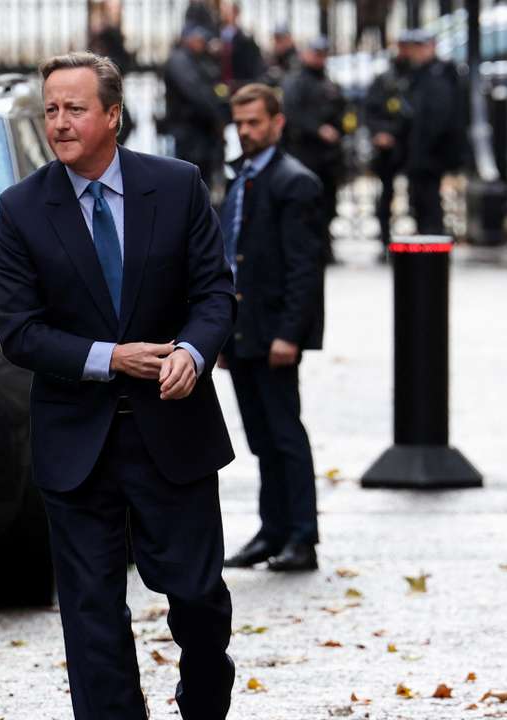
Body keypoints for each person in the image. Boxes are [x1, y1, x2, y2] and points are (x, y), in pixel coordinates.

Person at [0, 51, 238, 720]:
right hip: (77, 442)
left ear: (113, 116)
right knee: (91, 613)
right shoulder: (21, 209)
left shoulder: (178, 185)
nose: (60, 123)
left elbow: (215, 291)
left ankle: (206, 696)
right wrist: (109, 357)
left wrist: (192, 349)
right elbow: (19, 331)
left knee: (198, 596)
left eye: (74, 109)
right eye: (51, 111)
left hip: (174, 432)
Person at [218, 83, 325, 573]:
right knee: (261, 436)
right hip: (243, 331)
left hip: (274, 331)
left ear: (277, 123)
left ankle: (302, 537)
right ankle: (272, 530)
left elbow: (304, 268)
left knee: (285, 434)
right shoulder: (242, 179)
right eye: (239, 123)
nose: (245, 132)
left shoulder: (294, 182)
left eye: (254, 122)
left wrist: (290, 333)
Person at [281, 36, 346, 263]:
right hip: (305, 152)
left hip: (328, 157)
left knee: (327, 204)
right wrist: (317, 129)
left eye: (323, 53)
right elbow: (291, 113)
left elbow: (342, 111)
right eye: (316, 52)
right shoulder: (295, 81)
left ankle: (324, 248)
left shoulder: (328, 81)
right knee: (306, 205)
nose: (320, 57)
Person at [403, 28, 464, 235]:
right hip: (419, 148)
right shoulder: (419, 73)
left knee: (428, 199)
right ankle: (426, 239)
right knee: (420, 197)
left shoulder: (438, 74)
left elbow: (439, 116)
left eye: (421, 47)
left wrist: (427, 146)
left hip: (431, 150)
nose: (417, 52)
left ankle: (432, 243)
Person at [364, 38, 415, 250]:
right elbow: (370, 110)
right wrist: (380, 133)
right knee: (387, 192)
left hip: (413, 143)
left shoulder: (420, 75)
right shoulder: (385, 78)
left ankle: (422, 240)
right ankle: (385, 238)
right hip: (389, 146)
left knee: (419, 191)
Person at [164, 24, 227, 188]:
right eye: (199, 40)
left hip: (199, 133)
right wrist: (216, 116)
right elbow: (197, 94)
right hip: (189, 132)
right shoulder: (180, 60)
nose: (203, 44)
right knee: (190, 181)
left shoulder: (196, 59)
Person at [218, 2, 267, 91]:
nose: (223, 13)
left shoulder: (246, 39)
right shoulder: (214, 35)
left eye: (226, 10)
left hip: (239, 86)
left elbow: (254, 67)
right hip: (220, 87)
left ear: (236, 13)